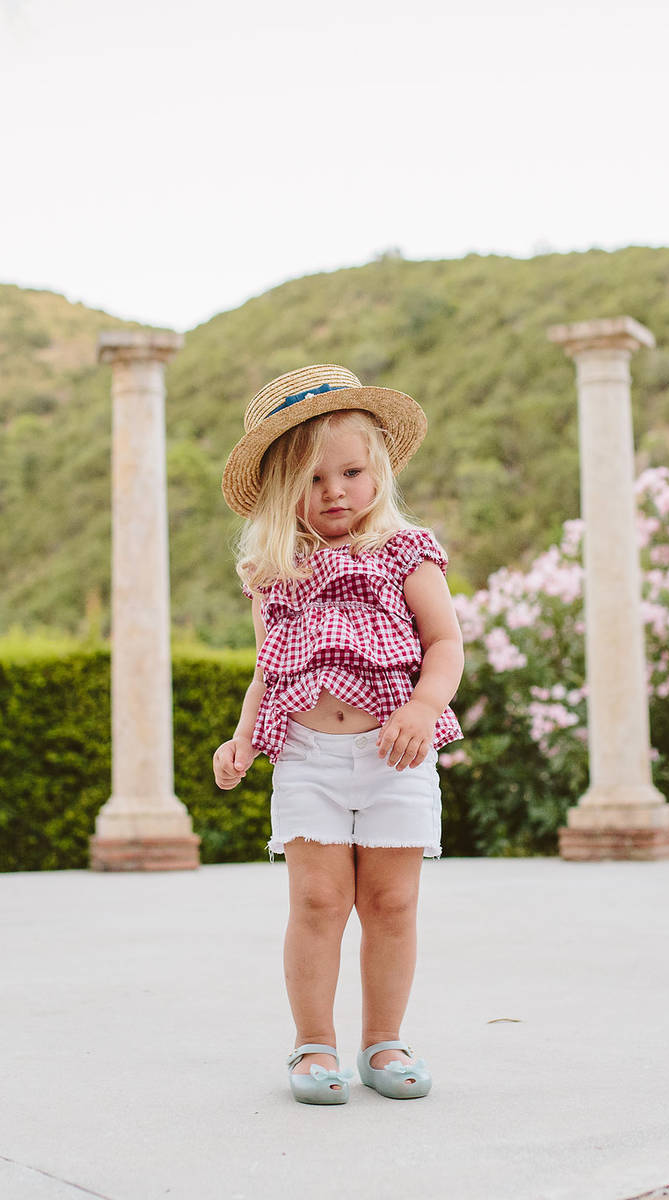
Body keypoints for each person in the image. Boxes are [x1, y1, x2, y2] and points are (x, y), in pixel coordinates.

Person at [212, 363, 464, 1106]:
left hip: (395, 753)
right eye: (314, 480)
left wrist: (421, 709)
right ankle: (312, 1045)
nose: (335, 493)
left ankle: (383, 1041)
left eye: (352, 472)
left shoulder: (405, 553)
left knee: (391, 902)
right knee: (317, 902)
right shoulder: (274, 571)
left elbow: (445, 642)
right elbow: (269, 671)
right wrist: (242, 740)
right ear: (281, 491)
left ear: (378, 469)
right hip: (307, 757)